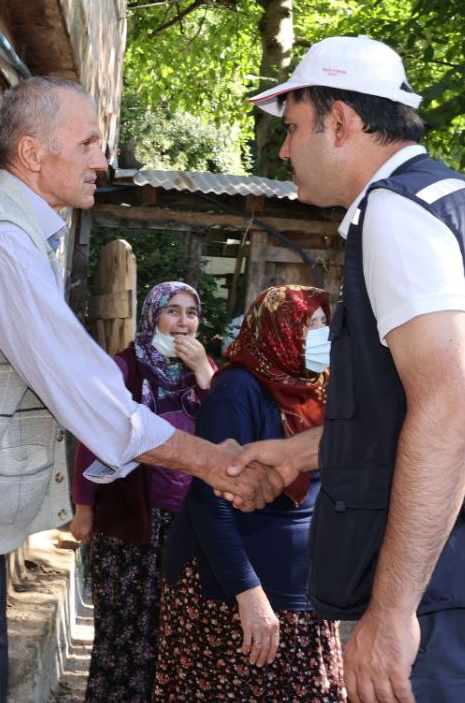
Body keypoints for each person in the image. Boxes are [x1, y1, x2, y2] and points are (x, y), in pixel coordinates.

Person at [0, 76, 283, 703]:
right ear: (33, 153)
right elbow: (89, 395)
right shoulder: (2, 241)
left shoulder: (16, 231)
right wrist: (215, 464)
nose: (103, 159)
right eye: (90, 142)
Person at [229, 36, 465, 702]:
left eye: (293, 127)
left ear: (341, 121)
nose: (282, 149)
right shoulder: (451, 203)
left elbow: (451, 411)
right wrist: (296, 454)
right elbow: (409, 409)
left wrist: (391, 616)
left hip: (453, 591)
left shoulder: (398, 213)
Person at [156, 285, 345, 702]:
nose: (321, 335)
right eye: (309, 325)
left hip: (303, 589)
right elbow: (211, 501)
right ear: (278, 331)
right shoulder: (238, 390)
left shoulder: (322, 390)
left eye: (323, 324)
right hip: (231, 591)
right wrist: (249, 594)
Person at [70, 281, 215, 701]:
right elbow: (91, 440)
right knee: (123, 628)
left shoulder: (207, 374)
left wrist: (205, 372)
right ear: (154, 316)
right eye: (172, 310)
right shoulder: (124, 368)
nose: (183, 321)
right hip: (129, 519)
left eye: (191, 312)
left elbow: (227, 431)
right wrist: (84, 508)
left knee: (175, 631)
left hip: (187, 523)